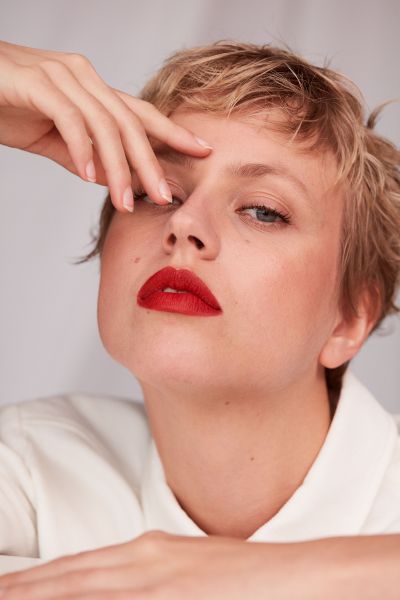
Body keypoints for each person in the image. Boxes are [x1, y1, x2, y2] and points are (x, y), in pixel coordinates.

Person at [0, 37, 399, 598]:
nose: (184, 223)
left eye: (263, 210)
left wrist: (248, 573)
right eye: (155, 192)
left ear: (349, 319)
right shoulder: (34, 465)